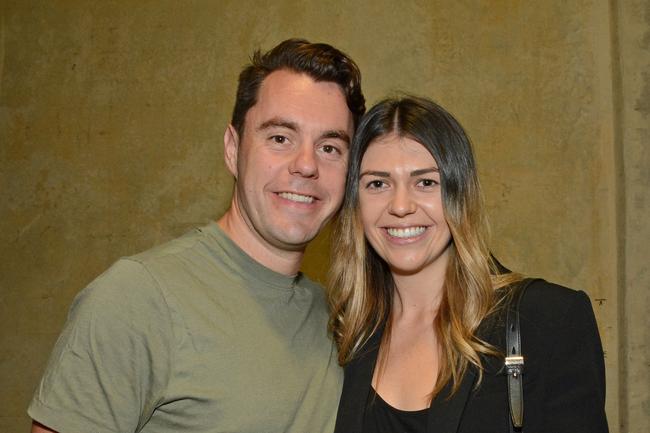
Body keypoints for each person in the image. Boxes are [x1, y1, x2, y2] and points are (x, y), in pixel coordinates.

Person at [28, 38, 365, 433]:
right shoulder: (138, 298)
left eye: (329, 147)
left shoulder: (336, 320)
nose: (306, 165)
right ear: (232, 148)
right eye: (279, 138)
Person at [329, 96, 608, 432]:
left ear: (460, 193)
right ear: (354, 203)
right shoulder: (347, 335)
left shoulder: (548, 320)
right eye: (378, 184)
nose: (400, 205)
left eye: (426, 182)